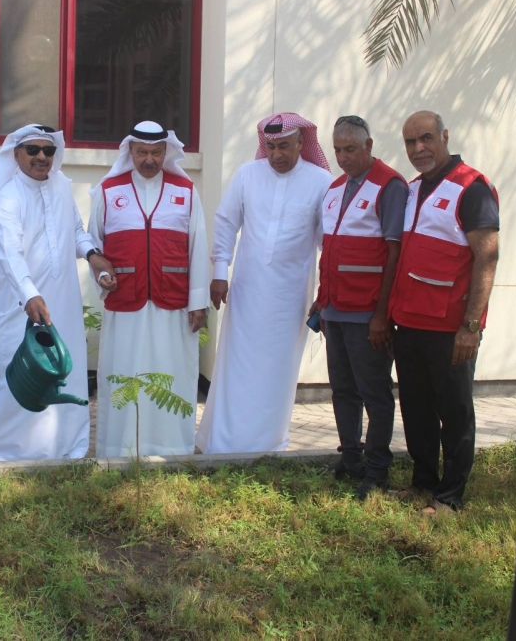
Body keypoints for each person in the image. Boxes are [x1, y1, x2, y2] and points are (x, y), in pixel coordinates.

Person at [196, 113, 333, 454]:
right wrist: (218, 274)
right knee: (237, 365)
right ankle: (222, 442)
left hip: (290, 295)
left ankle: (268, 444)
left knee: (277, 370)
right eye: (270, 147)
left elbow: (328, 243)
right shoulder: (247, 175)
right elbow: (227, 222)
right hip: (246, 290)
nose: (276, 155)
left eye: (284, 146)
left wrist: (327, 292)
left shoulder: (321, 182)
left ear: (302, 144)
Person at [0, 124, 114, 461]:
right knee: (19, 381)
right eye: (33, 150)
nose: (41, 157)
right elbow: (10, 253)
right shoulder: (8, 196)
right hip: (18, 307)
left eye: (48, 151)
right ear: (17, 154)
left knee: (64, 375)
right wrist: (30, 295)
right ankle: (6, 455)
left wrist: (94, 257)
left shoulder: (62, 189)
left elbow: (77, 232)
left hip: (62, 305)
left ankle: (66, 449)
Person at [390, 110, 500, 516]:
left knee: (454, 412)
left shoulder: (473, 187)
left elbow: (486, 258)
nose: (418, 149)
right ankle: (423, 483)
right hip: (410, 323)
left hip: (452, 329)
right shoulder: (414, 189)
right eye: (410, 142)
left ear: (444, 136)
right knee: (416, 409)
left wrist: (471, 326)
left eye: (426, 138)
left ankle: (450, 497)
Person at [88, 121, 210, 457]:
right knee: (123, 371)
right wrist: (101, 277)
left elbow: (198, 246)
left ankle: (173, 449)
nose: (149, 160)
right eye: (142, 152)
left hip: (174, 305)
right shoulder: (109, 191)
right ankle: (119, 450)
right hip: (125, 303)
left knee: (172, 375)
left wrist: (198, 302)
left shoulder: (184, 192)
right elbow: (92, 245)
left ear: (166, 152)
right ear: (130, 151)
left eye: (156, 152)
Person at [308, 115, 407, 498]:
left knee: (374, 392)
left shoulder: (390, 186)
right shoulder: (333, 189)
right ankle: (350, 459)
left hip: (368, 313)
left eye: (350, 149)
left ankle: (377, 469)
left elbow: (395, 252)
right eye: (337, 150)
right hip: (335, 308)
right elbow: (330, 249)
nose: (343, 157)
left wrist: (382, 314)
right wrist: (321, 304)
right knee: (343, 389)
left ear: (368, 146)